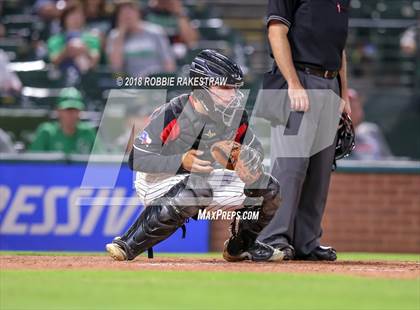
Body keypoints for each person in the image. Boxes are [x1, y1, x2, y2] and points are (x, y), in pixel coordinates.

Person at [105, 50, 283, 262]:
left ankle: (241, 246)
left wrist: (247, 161)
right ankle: (127, 244)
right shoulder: (174, 112)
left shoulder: (235, 115)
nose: (234, 94)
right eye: (225, 87)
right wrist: (181, 161)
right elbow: (136, 159)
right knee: (196, 188)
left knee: (269, 188)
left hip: (202, 180)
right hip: (156, 178)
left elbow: (256, 151)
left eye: (234, 87)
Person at [256, 0, 352, 261]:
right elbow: (276, 32)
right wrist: (294, 83)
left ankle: (306, 242)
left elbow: (338, 48)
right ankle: (271, 239)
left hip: (329, 84)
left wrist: (344, 94)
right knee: (290, 168)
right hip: (299, 81)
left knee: (320, 172)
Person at [106, 0, 176, 77]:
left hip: (156, 82)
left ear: (138, 12)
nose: (127, 15)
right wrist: (121, 35)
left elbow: (168, 63)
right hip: (130, 84)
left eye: (130, 11)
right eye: (123, 13)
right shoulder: (115, 36)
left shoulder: (156, 32)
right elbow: (116, 68)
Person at [29, 87, 100, 154]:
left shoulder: (88, 132)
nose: (72, 114)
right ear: (58, 111)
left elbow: (102, 160)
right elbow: (32, 164)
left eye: (75, 110)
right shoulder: (47, 133)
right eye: (68, 110)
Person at [47, 3, 101, 86]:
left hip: (87, 82)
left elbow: (94, 62)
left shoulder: (92, 39)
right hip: (61, 80)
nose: (76, 18)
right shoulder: (55, 40)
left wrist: (84, 50)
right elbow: (53, 61)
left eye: (79, 15)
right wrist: (67, 51)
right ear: (64, 18)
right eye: (71, 15)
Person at [347, 89, 393, 160]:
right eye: (352, 108)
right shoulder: (338, 135)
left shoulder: (372, 130)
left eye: (357, 106)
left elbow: (387, 158)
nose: (355, 111)